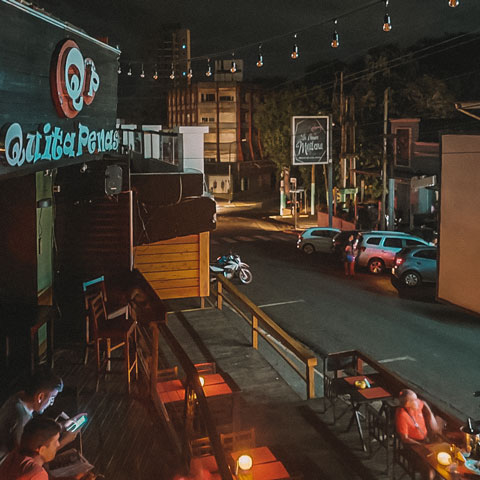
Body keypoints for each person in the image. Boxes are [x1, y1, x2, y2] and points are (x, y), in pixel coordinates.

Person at [0, 370, 74, 463]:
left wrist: (61, 426)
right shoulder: (21, 417)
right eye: (52, 399)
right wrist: (65, 441)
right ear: (40, 397)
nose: (51, 404)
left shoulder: (19, 397)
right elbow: (26, 459)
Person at [395, 389, 443, 480]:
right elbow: (405, 438)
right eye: (414, 400)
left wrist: (430, 415)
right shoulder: (402, 415)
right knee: (428, 465)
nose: (417, 401)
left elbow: (423, 403)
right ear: (407, 403)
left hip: (424, 440)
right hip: (412, 445)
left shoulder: (417, 405)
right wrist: (421, 445)